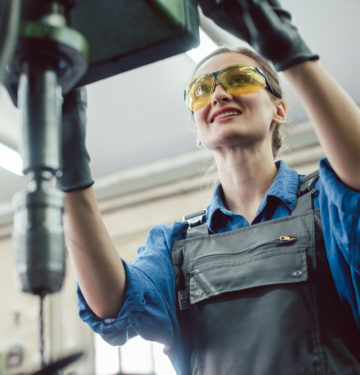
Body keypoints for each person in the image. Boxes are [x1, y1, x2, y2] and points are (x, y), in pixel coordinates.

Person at [59, 1, 360, 374]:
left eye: (240, 79)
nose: (218, 95)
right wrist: (70, 175)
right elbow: (110, 305)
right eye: (201, 90)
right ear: (198, 134)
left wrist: (291, 54)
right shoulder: (176, 247)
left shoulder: (325, 206)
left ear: (279, 110)